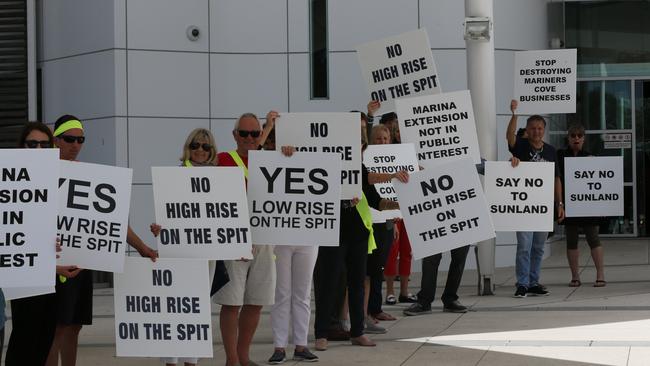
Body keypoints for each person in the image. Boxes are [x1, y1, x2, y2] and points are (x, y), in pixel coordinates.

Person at [46, 115, 158, 366]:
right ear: (56, 140)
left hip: (82, 261)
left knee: (74, 326)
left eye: (80, 139)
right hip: (55, 262)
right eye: (69, 139)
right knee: (58, 328)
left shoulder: (87, 174)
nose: (75, 144)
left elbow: (113, 220)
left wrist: (142, 248)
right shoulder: (43, 172)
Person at [313, 112, 402, 351]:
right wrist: (393, 174)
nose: (358, 149)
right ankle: (321, 333)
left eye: (360, 145)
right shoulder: (327, 164)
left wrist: (403, 202)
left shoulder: (359, 167)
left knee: (356, 283)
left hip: (358, 233)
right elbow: (370, 178)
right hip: (333, 231)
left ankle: (358, 331)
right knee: (330, 283)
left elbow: (377, 201)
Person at [5, 122, 81, 366]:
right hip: (23, 275)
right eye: (32, 144)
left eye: (44, 144)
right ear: (21, 147)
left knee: (44, 341)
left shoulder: (59, 177)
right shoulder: (9, 178)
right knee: (23, 341)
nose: (38, 148)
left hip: (51, 276)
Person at [213, 112, 276, 366]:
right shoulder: (222, 160)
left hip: (264, 239)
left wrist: (289, 151)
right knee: (231, 303)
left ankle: (243, 355)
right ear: (235, 135)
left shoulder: (271, 160)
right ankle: (231, 359)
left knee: (256, 301)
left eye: (254, 134)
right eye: (244, 133)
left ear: (260, 135)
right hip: (233, 241)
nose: (249, 138)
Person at [151, 128, 218, 365]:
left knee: (199, 308)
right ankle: (170, 360)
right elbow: (166, 215)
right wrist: (159, 229)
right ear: (187, 148)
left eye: (205, 146)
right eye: (195, 145)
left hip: (206, 255)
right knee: (174, 307)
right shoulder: (174, 176)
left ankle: (192, 360)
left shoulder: (221, 178)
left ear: (212, 151)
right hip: (178, 252)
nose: (200, 150)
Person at [267, 145, 319, 364]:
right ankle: (279, 346)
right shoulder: (272, 160)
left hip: (308, 236)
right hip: (281, 236)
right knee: (282, 293)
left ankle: (301, 344)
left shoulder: (315, 160)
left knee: (302, 293)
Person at [507, 100, 564, 298]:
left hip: (544, 207)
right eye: (533, 128)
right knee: (524, 246)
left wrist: (559, 203)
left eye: (540, 128)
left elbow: (557, 178)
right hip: (524, 207)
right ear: (528, 130)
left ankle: (533, 282)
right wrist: (514, 114)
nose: (537, 131)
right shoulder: (520, 146)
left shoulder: (550, 151)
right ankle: (522, 283)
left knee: (539, 247)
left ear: (544, 130)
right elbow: (509, 136)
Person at [556, 125, 605, 287]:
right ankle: (575, 276)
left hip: (587, 204)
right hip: (569, 205)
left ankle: (600, 274)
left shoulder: (590, 156)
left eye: (579, 135)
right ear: (568, 138)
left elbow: (599, 183)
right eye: (573, 135)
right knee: (571, 240)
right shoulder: (560, 155)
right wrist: (560, 204)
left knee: (593, 238)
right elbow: (558, 181)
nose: (576, 138)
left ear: (583, 138)